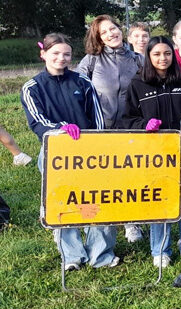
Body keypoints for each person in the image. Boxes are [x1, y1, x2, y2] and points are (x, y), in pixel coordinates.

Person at [22, 33, 118, 271]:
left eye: (66, 54)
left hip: (89, 151)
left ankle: (101, 254)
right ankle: (72, 255)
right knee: (62, 201)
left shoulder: (83, 82)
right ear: (43, 53)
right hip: (56, 152)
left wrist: (97, 144)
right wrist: (60, 129)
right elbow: (36, 121)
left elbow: (96, 118)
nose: (61, 58)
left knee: (98, 198)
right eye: (55, 53)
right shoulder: (32, 87)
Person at [119, 36, 181, 267]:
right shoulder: (137, 83)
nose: (162, 58)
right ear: (148, 56)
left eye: (166, 54)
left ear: (173, 55)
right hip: (154, 154)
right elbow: (128, 119)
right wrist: (145, 125)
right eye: (156, 54)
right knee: (160, 200)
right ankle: (160, 249)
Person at [77, 15, 144, 243]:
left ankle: (131, 222)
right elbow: (77, 93)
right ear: (99, 38)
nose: (111, 34)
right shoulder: (90, 61)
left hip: (130, 129)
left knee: (129, 177)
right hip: (100, 130)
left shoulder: (137, 60)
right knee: (100, 180)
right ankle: (96, 221)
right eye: (104, 32)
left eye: (113, 28)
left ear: (120, 29)